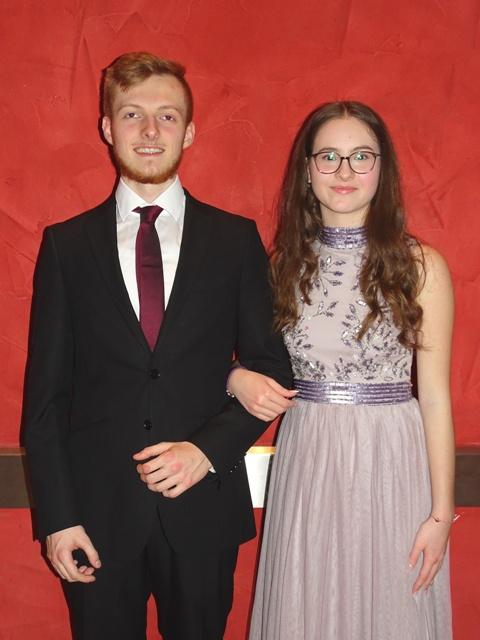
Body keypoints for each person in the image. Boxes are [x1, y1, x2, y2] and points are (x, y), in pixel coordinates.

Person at [22, 51, 291, 640]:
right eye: (132, 114)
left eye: (167, 116)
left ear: (189, 131)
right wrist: (58, 518)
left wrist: (206, 451)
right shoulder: (66, 246)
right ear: (107, 128)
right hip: (95, 516)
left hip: (204, 508)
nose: (149, 131)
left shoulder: (235, 241)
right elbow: (45, 400)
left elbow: (272, 368)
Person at [228, 102, 455, 639]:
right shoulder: (281, 266)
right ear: (307, 170)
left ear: (382, 169)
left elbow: (435, 398)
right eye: (329, 156)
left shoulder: (422, 266)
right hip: (308, 459)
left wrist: (440, 515)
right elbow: (247, 363)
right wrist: (233, 377)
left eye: (361, 156)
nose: (345, 171)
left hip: (391, 464)